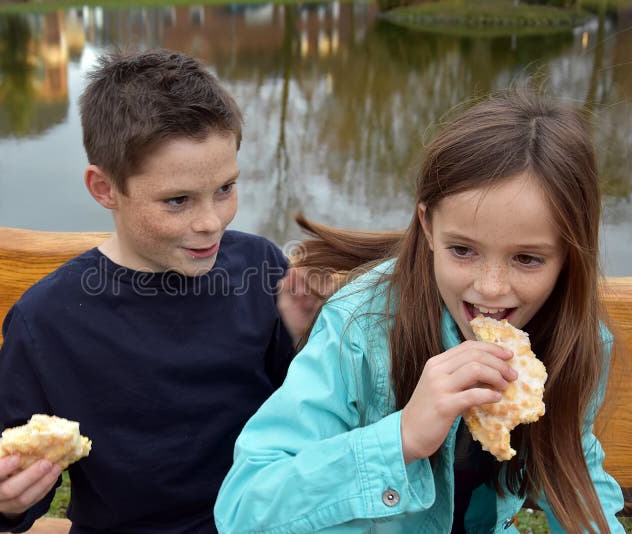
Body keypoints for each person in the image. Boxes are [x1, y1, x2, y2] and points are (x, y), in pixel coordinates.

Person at [214, 90, 626, 533]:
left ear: (570, 253)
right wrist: (401, 438)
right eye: (462, 250)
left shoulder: (569, 342)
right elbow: (244, 509)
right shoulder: (359, 328)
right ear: (428, 226)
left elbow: (575, 479)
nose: (490, 288)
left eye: (527, 259)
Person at [0, 49, 319, 533]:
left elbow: (305, 409)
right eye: (177, 201)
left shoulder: (260, 267)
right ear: (105, 189)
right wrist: (3, 498)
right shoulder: (48, 320)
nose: (210, 222)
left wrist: (307, 339)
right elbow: (22, 475)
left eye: (225, 188)